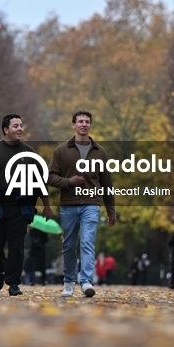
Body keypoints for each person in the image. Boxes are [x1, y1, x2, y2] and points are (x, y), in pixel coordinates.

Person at [0, 114, 53, 296]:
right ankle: (1, 271)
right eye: (16, 126)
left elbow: (41, 180)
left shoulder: (29, 153)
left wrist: (46, 205)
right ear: (5, 130)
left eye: (21, 125)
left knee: (16, 244)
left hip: (19, 206)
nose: (20, 129)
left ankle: (14, 283)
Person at [48, 110, 116, 298]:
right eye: (80, 121)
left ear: (90, 125)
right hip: (68, 204)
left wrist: (111, 211)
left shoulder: (100, 152)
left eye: (87, 121)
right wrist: (68, 182)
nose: (84, 124)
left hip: (91, 203)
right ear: (74, 125)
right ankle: (69, 282)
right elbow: (50, 177)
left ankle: (86, 281)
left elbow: (107, 184)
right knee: (69, 244)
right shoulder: (62, 150)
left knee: (87, 242)